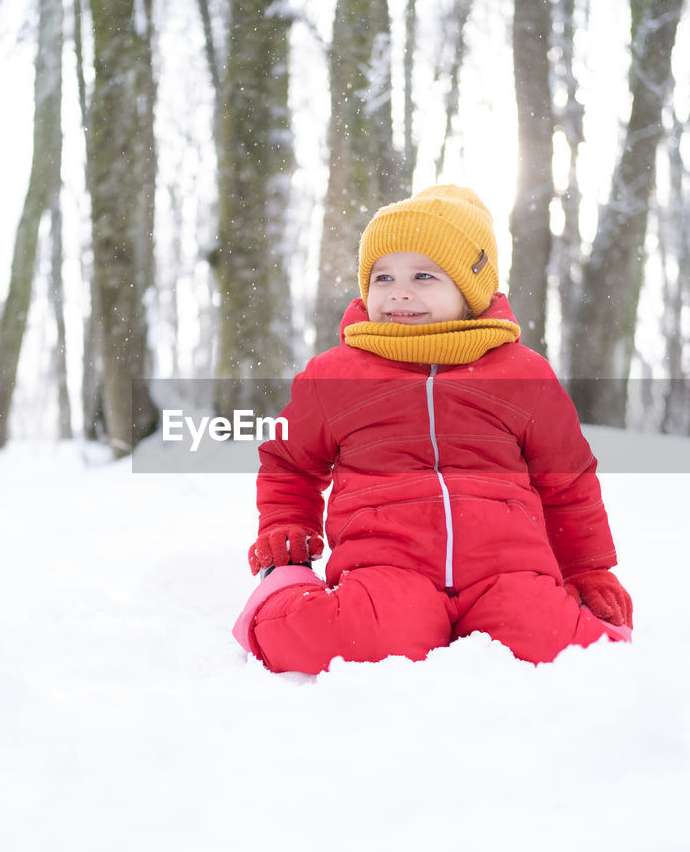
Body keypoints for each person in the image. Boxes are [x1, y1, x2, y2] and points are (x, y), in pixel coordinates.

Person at [232, 185, 632, 674]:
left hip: (509, 573)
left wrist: (589, 570)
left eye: (423, 275)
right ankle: (281, 599)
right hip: (388, 569)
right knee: (349, 639)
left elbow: (567, 481)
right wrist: (286, 531)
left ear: (470, 292)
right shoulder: (335, 375)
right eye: (382, 277)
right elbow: (289, 463)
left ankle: (539, 626)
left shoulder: (521, 374)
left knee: (571, 652)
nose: (399, 291)